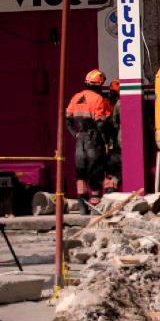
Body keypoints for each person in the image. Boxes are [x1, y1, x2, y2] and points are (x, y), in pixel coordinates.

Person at [65, 69, 113, 215]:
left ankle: (81, 203)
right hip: (94, 139)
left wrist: (76, 134)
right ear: (99, 84)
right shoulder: (98, 99)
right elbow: (101, 124)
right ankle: (95, 204)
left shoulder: (76, 97)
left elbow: (67, 119)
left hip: (80, 141)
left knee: (81, 172)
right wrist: (106, 141)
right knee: (95, 171)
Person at [104, 80, 122, 195]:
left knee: (111, 167)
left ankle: (110, 190)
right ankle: (111, 189)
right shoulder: (119, 104)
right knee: (115, 167)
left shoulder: (108, 103)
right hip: (115, 141)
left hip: (112, 141)